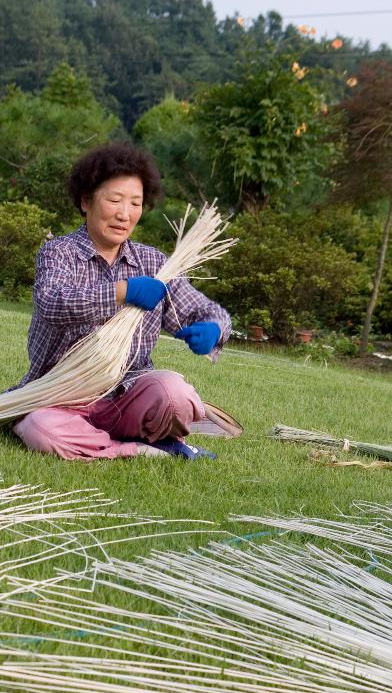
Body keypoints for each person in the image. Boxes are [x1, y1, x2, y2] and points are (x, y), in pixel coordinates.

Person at [12, 143, 232, 461]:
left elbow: (208, 310)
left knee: (176, 395)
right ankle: (142, 449)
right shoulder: (59, 252)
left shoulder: (154, 264)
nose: (124, 214)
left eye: (135, 203)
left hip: (127, 395)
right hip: (60, 395)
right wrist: (121, 291)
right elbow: (51, 302)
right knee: (42, 431)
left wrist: (213, 328)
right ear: (86, 201)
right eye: (114, 200)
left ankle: (113, 438)